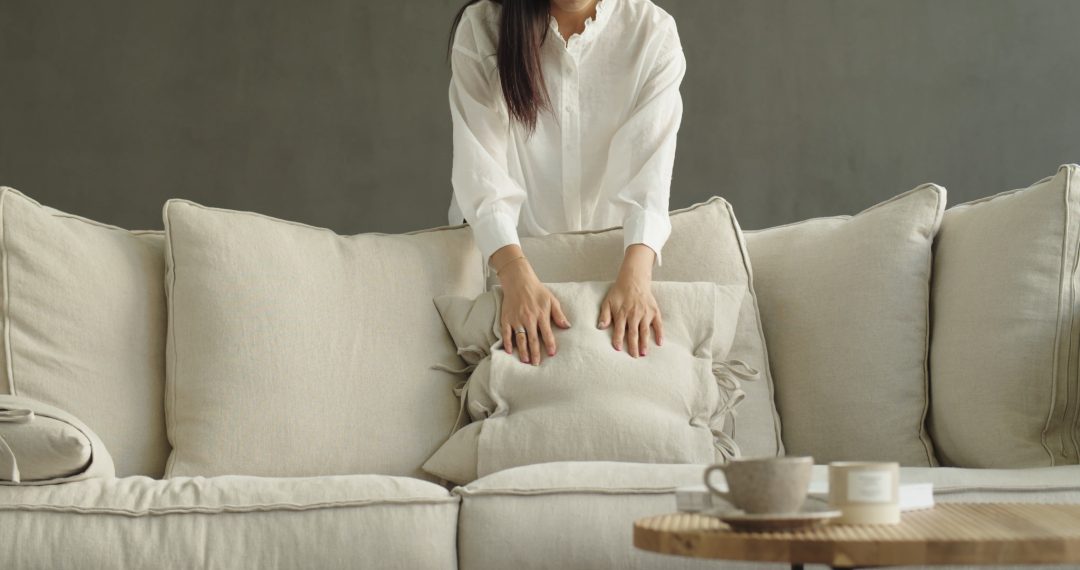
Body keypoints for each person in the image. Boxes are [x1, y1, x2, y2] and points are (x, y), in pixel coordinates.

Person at [447, 0, 685, 366]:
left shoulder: (652, 32)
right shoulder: (482, 26)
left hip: (612, 271)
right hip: (503, 265)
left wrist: (636, 277)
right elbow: (481, 174)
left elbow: (648, 175)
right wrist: (515, 278)